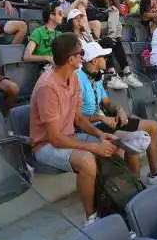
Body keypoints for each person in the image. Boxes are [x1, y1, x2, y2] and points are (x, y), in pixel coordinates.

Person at [29, 33, 123, 222]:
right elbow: (55, 139)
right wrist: (94, 147)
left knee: (115, 148)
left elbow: (78, 119)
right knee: (88, 160)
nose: (82, 56)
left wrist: (100, 135)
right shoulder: (48, 87)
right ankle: (91, 217)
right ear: (71, 59)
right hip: (46, 145)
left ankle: (112, 202)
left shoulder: (72, 78)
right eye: (80, 53)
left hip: (68, 137)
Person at [77, 41, 157, 183]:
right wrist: (101, 118)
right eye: (103, 57)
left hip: (104, 121)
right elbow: (76, 118)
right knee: (136, 140)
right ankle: (135, 186)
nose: (106, 59)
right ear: (94, 60)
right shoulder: (77, 79)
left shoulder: (96, 76)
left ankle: (155, 174)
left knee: (153, 127)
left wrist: (119, 110)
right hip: (89, 128)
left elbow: (106, 102)